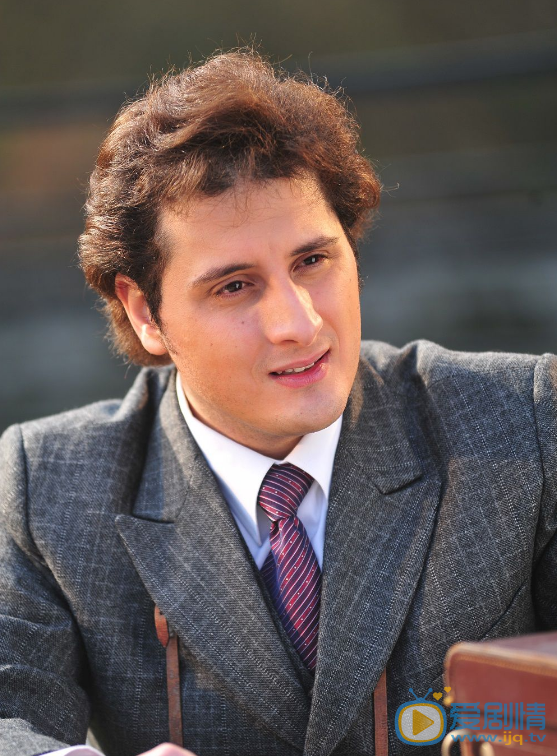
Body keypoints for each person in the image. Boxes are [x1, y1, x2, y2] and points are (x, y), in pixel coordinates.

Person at [0, 49, 556, 756]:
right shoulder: (48, 486)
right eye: (234, 286)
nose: (298, 322)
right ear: (144, 312)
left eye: (312, 261)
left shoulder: (521, 420)